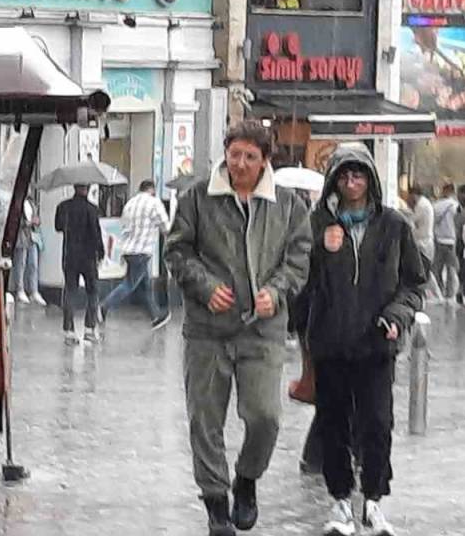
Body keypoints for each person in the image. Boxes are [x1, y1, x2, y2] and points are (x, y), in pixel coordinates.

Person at [166, 121, 312, 536]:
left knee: (265, 415)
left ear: (266, 160)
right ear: (225, 154)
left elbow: (299, 259)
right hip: (207, 330)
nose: (240, 164)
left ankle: (246, 479)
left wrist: (277, 291)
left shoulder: (288, 206)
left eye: (250, 156)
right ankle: (215, 501)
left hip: (262, 330)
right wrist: (205, 286)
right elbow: (177, 251)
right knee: (205, 420)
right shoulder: (198, 198)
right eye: (234, 155)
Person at [294, 143, 426, 536]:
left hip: (376, 345)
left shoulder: (394, 225)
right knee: (333, 424)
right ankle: (339, 502)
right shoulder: (315, 224)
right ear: (334, 181)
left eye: (359, 175)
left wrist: (397, 317)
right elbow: (297, 279)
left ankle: (372, 499)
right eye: (344, 176)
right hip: (331, 344)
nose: (352, 183)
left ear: (371, 180)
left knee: (377, 423)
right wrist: (320, 250)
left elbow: (414, 283)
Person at [101, 179, 171, 328]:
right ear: (151, 190)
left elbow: (123, 227)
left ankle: (155, 316)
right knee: (129, 284)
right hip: (142, 251)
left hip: (128, 250)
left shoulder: (130, 204)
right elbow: (166, 227)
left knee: (145, 285)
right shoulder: (154, 203)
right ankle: (103, 308)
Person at [55, 183, 105, 343]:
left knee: (70, 291)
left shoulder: (63, 207)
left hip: (69, 256)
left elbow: (58, 227)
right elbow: (96, 232)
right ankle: (89, 330)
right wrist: (101, 251)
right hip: (88, 257)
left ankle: (68, 332)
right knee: (92, 292)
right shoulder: (92, 209)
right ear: (88, 189)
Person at [10, 195, 48, 305]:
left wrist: (36, 221)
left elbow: (35, 217)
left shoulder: (31, 202)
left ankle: (34, 291)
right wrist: (26, 223)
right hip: (21, 235)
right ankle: (20, 290)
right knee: (20, 263)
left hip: (32, 236)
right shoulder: (16, 201)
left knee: (33, 264)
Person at [406, 186, 440, 300]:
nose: (408, 199)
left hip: (423, 243)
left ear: (414, 194)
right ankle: (433, 295)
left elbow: (411, 220)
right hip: (423, 241)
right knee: (424, 269)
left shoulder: (422, 205)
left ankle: (436, 295)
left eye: (409, 196)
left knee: (424, 269)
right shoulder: (424, 204)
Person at [432, 183, 461, 300]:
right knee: (451, 269)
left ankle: (439, 290)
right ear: (452, 192)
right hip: (452, 241)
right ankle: (450, 294)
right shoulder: (455, 206)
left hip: (438, 240)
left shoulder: (436, 205)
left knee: (437, 268)